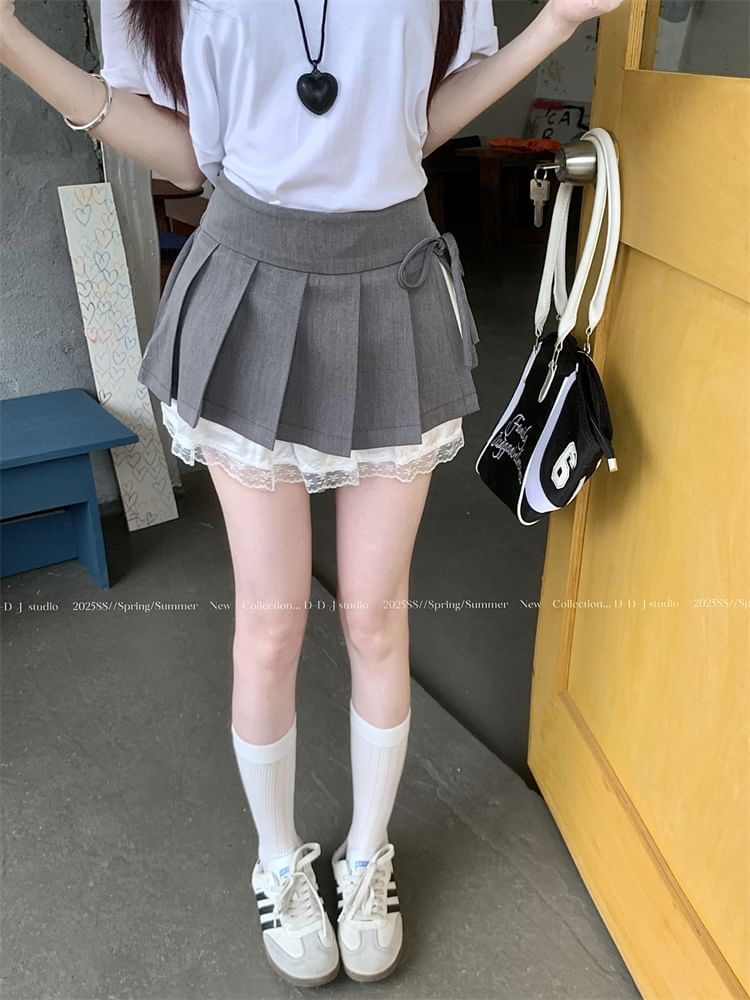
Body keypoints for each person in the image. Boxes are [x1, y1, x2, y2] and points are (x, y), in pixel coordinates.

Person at [0, 0, 625, 987]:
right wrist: (10, 41)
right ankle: (278, 859)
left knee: (377, 614)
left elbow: (415, 124)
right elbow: (187, 155)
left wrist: (553, 26)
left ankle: (367, 855)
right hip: (248, 284)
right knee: (271, 624)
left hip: (394, 281)